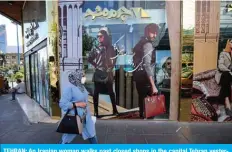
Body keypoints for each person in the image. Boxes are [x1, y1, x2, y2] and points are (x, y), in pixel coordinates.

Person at [59, 70, 98, 144]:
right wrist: (77, 104)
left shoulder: (81, 87)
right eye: (82, 76)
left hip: (86, 117)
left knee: (92, 134)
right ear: (77, 77)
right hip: (75, 118)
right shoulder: (69, 88)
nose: (84, 78)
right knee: (67, 138)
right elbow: (62, 104)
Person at [88, 28, 118, 118]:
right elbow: (89, 59)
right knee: (96, 92)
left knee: (111, 92)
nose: (98, 38)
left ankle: (115, 110)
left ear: (105, 37)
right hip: (98, 72)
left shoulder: (111, 47)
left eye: (100, 36)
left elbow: (115, 58)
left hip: (107, 72)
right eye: (97, 36)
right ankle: (96, 112)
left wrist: (112, 67)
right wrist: (96, 65)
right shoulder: (95, 48)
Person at [133, 23, 159, 118]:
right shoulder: (147, 45)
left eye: (156, 32)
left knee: (142, 103)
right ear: (147, 32)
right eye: (153, 32)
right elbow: (147, 65)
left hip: (139, 77)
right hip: (146, 79)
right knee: (151, 108)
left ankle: (142, 121)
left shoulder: (140, 43)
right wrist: (153, 85)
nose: (155, 35)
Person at [215, 39, 232, 116]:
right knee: (227, 75)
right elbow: (221, 66)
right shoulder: (223, 53)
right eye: (231, 42)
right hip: (224, 74)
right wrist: (229, 71)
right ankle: (227, 101)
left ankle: (222, 98)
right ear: (228, 44)